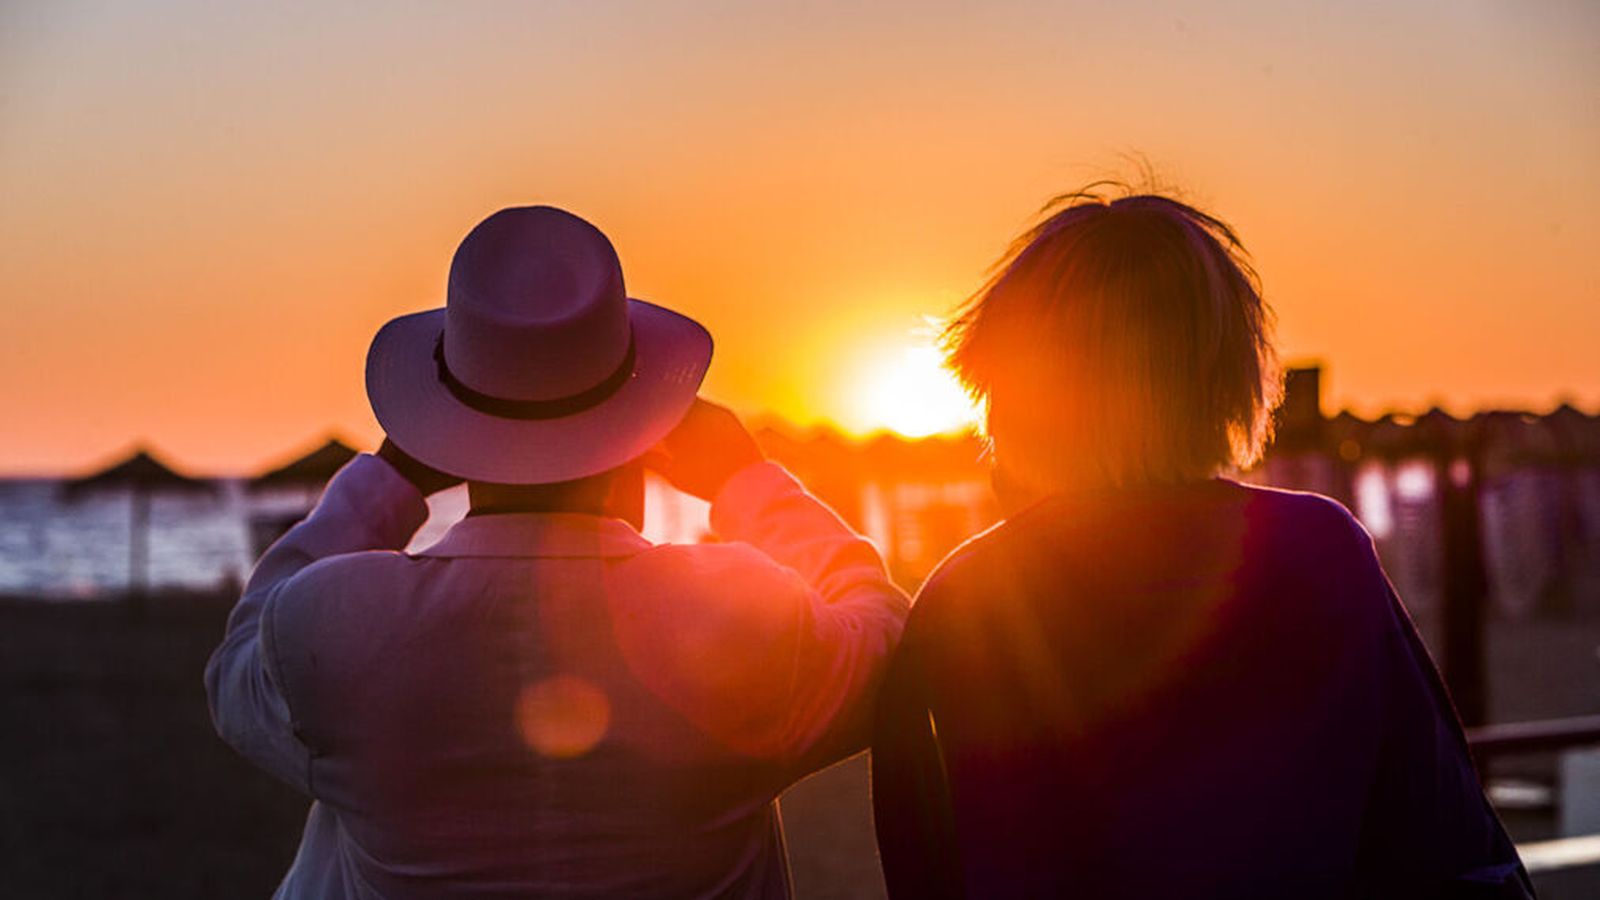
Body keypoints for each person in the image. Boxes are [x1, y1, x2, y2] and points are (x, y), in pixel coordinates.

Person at [206, 206, 908, 898]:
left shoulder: (338, 629)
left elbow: (238, 668)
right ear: (647, 425)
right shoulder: (738, 624)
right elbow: (887, 636)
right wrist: (745, 483)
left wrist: (384, 485)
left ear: (442, 426)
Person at [869, 187, 1534, 898]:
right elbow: (1449, 847)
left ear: (1016, 391)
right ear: (1224, 382)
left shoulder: (964, 596)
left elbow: (924, 863)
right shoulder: (1316, 553)